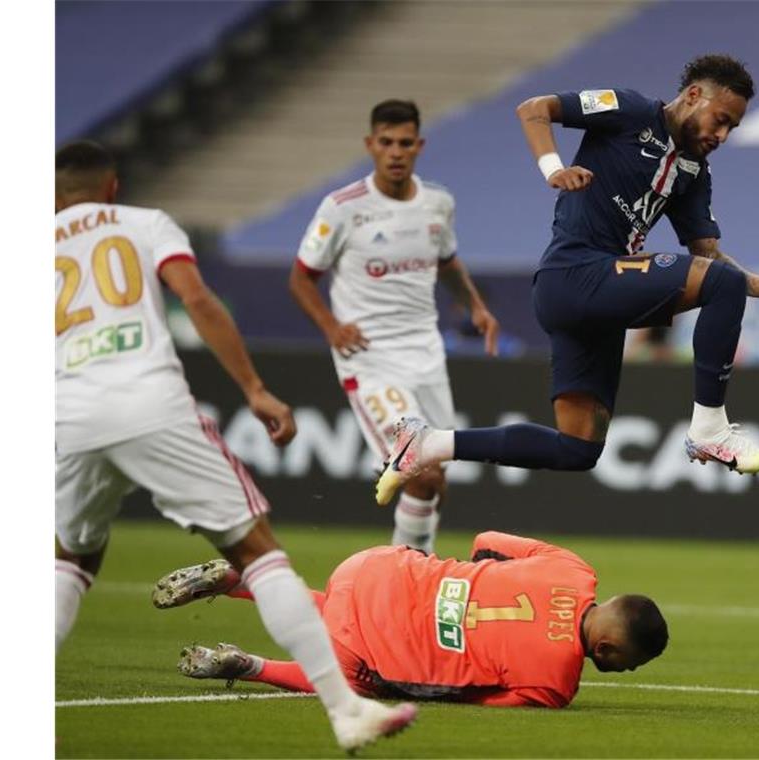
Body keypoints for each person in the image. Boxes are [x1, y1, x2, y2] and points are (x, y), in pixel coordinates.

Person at [54, 141, 416, 751]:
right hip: (150, 402)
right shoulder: (146, 224)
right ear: (113, 186)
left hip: (70, 414)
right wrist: (253, 388)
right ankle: (345, 711)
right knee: (258, 554)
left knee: (69, 561)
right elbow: (196, 300)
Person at [374, 54, 759, 506]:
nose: (722, 135)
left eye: (731, 129)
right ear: (694, 96)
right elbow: (534, 109)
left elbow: (707, 255)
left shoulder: (693, 173)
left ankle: (427, 445)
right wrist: (554, 170)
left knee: (578, 447)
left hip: (592, 301)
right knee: (721, 285)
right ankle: (710, 429)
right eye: (721, 120)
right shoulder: (630, 110)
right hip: (574, 273)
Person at [289, 99, 500, 552]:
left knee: (435, 478)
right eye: (386, 143)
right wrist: (330, 326)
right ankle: (406, 577)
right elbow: (301, 277)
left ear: (419, 146)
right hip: (370, 358)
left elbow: (447, 262)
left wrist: (476, 307)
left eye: (405, 143)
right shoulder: (343, 208)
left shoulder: (438, 202)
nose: (396, 152)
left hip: (425, 354)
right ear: (371, 145)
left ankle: (410, 564)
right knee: (420, 471)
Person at [155, 531, 667, 708]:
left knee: (337, 610)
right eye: (631, 663)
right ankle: (248, 665)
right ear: (607, 651)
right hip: (365, 649)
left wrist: (469, 588)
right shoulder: (555, 684)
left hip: (375, 567)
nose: (628, 672)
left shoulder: (572, 568)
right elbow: (472, 697)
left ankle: (241, 582)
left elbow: (485, 542)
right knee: (362, 685)